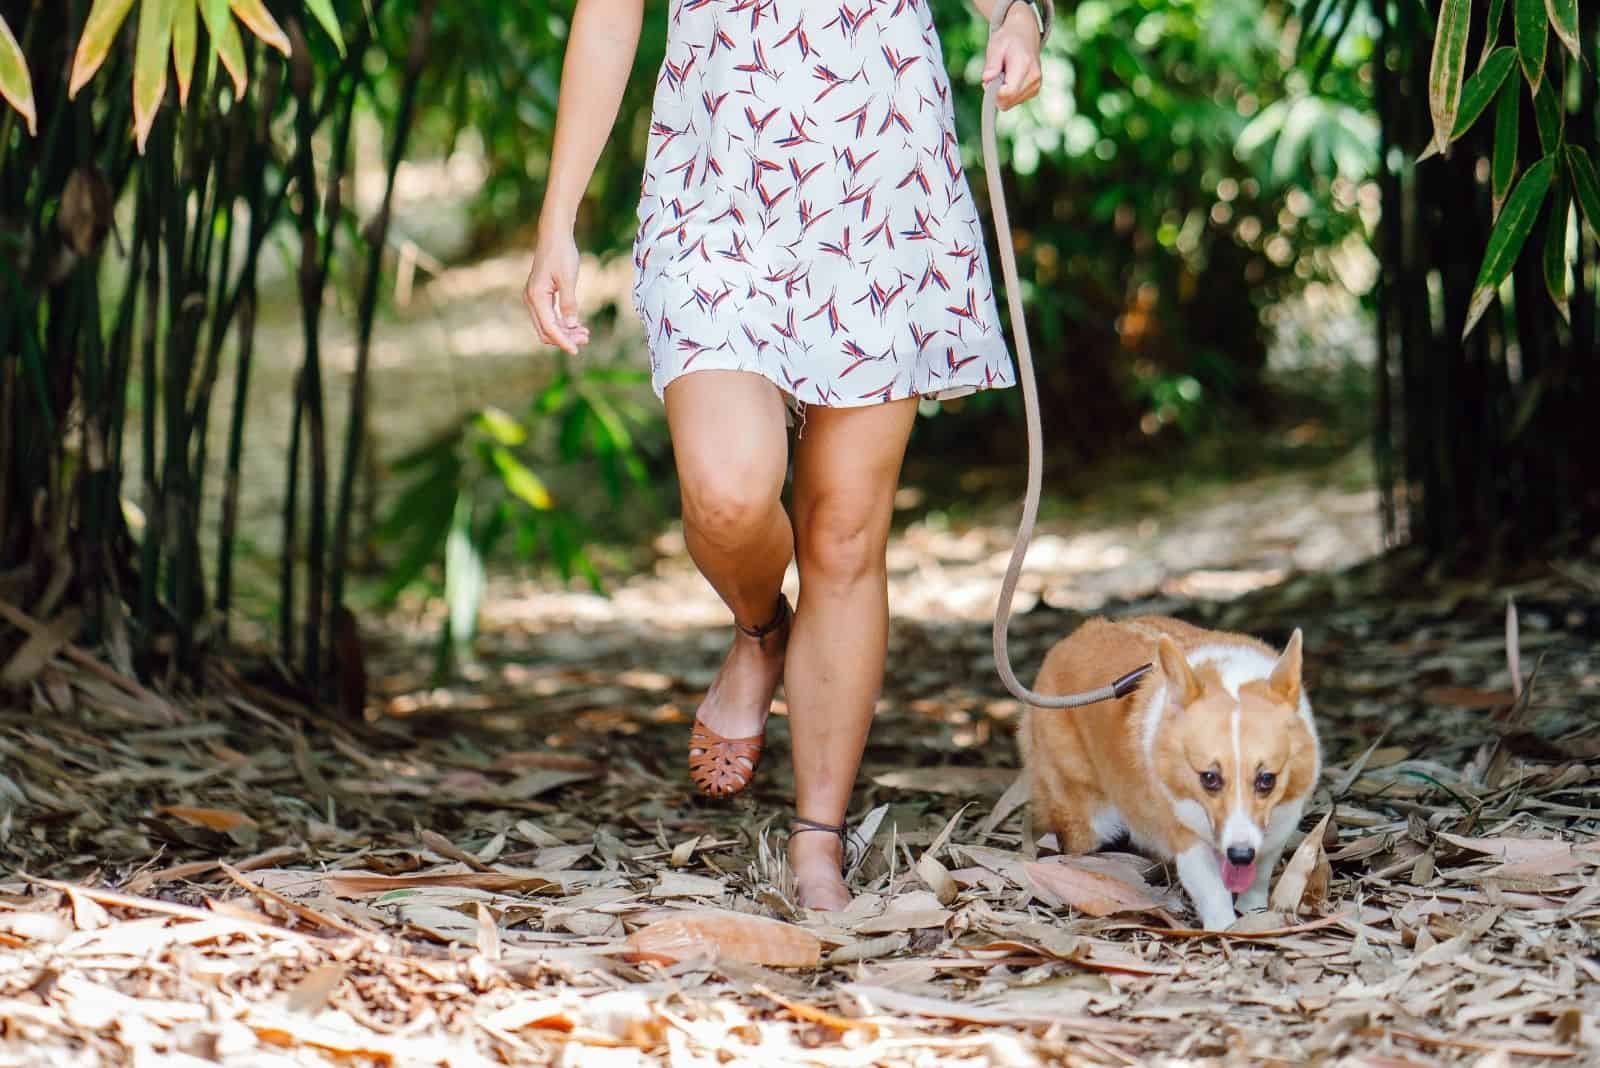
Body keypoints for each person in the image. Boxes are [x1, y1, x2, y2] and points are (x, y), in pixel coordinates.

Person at [525, 0, 1049, 910]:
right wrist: (557, 221)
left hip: (884, 176)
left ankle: (818, 840)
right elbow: (608, 21)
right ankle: (763, 630)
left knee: (844, 536)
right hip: (717, 192)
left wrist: (1019, 20)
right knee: (728, 493)